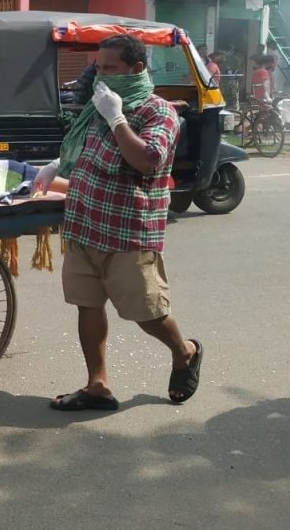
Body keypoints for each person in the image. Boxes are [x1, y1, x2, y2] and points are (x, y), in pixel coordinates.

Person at [33, 34, 202, 411]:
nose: (102, 77)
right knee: (87, 305)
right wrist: (58, 165)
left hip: (129, 230)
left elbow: (146, 160)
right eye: (99, 68)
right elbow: (86, 153)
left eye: (111, 69)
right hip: (84, 223)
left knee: (147, 312)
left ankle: (185, 351)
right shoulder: (100, 106)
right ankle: (97, 385)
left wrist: (117, 118)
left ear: (136, 68)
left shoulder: (158, 112)